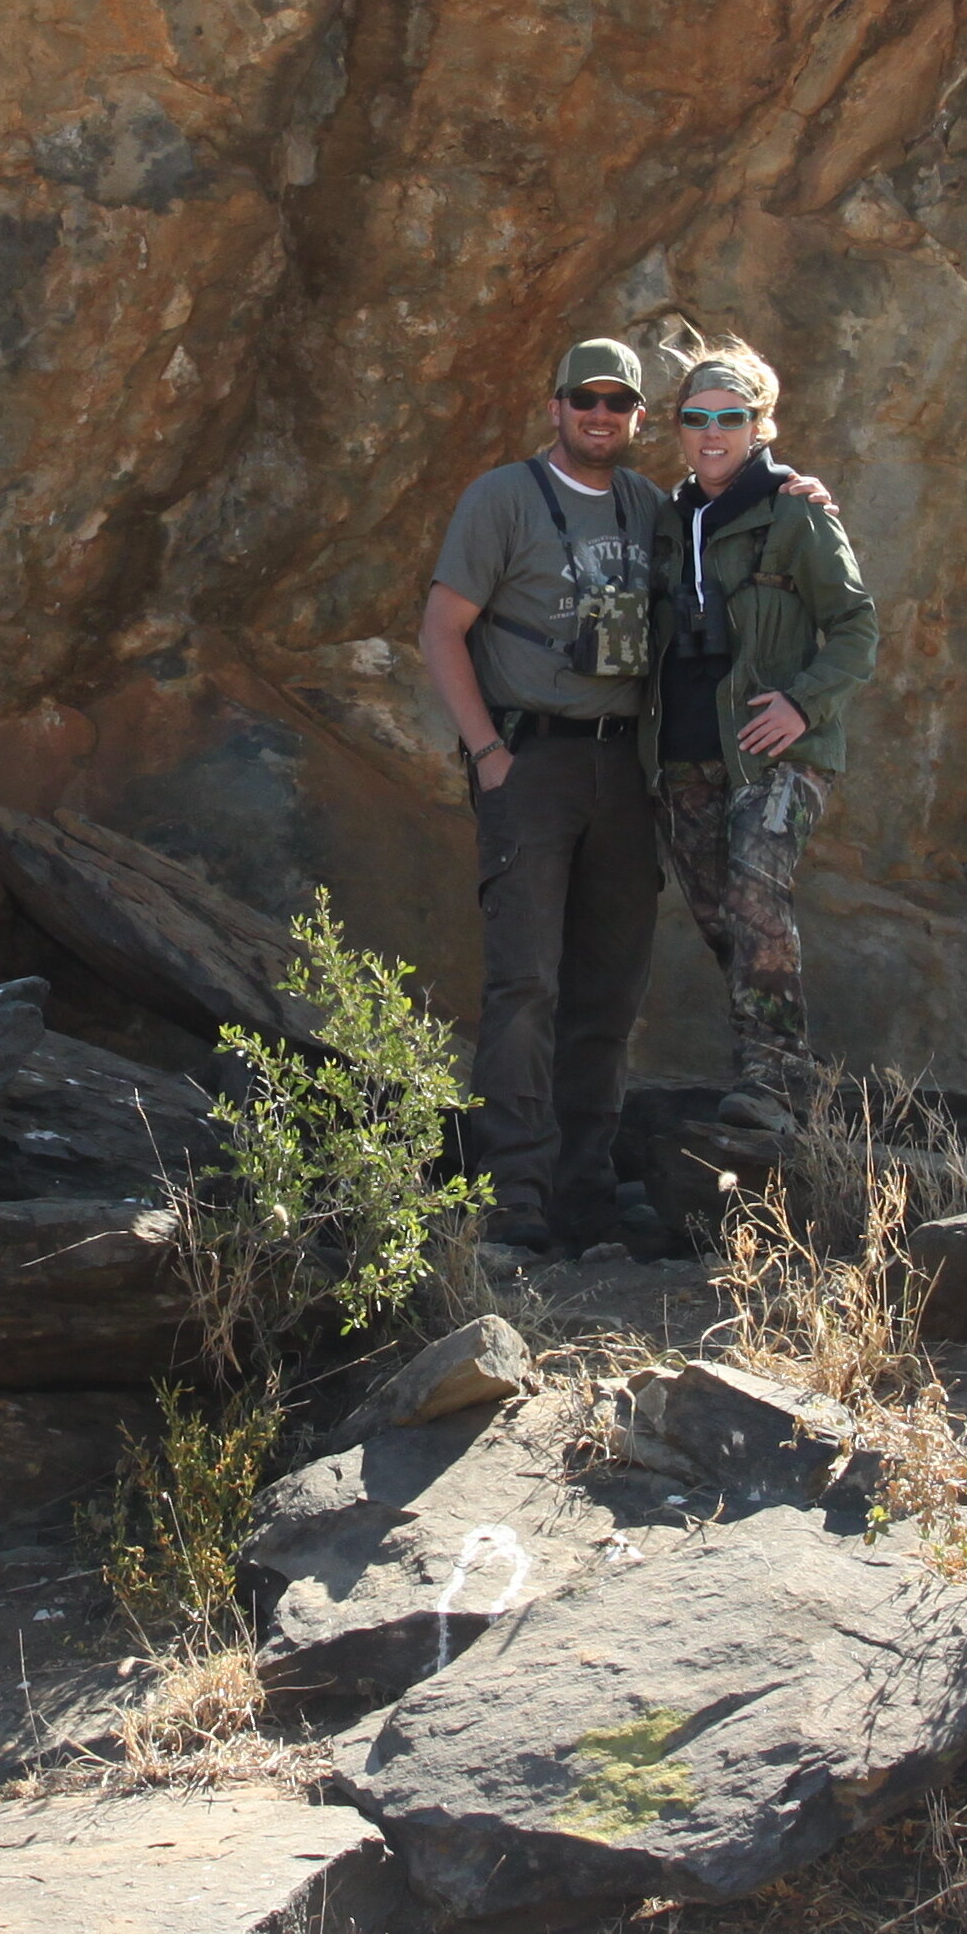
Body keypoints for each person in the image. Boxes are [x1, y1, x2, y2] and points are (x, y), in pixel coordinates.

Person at [419, 338, 673, 1256]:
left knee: (608, 988)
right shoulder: (503, 497)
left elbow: (735, 519)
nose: (600, 415)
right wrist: (486, 751)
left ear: (639, 417)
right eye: (584, 399)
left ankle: (586, 1196)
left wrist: (800, 490)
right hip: (530, 764)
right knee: (525, 982)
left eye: (618, 402)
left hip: (623, 770)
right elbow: (442, 629)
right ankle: (512, 1198)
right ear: (556, 406)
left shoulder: (650, 505)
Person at [648, 340, 874, 1153]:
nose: (713, 433)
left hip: (775, 751)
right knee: (719, 917)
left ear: (759, 423)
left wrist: (804, 706)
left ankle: (772, 1086)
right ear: (678, 426)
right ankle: (788, 1079)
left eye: (731, 418)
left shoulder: (797, 509)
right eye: (697, 418)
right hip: (683, 756)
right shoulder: (666, 520)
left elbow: (857, 629)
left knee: (755, 890)